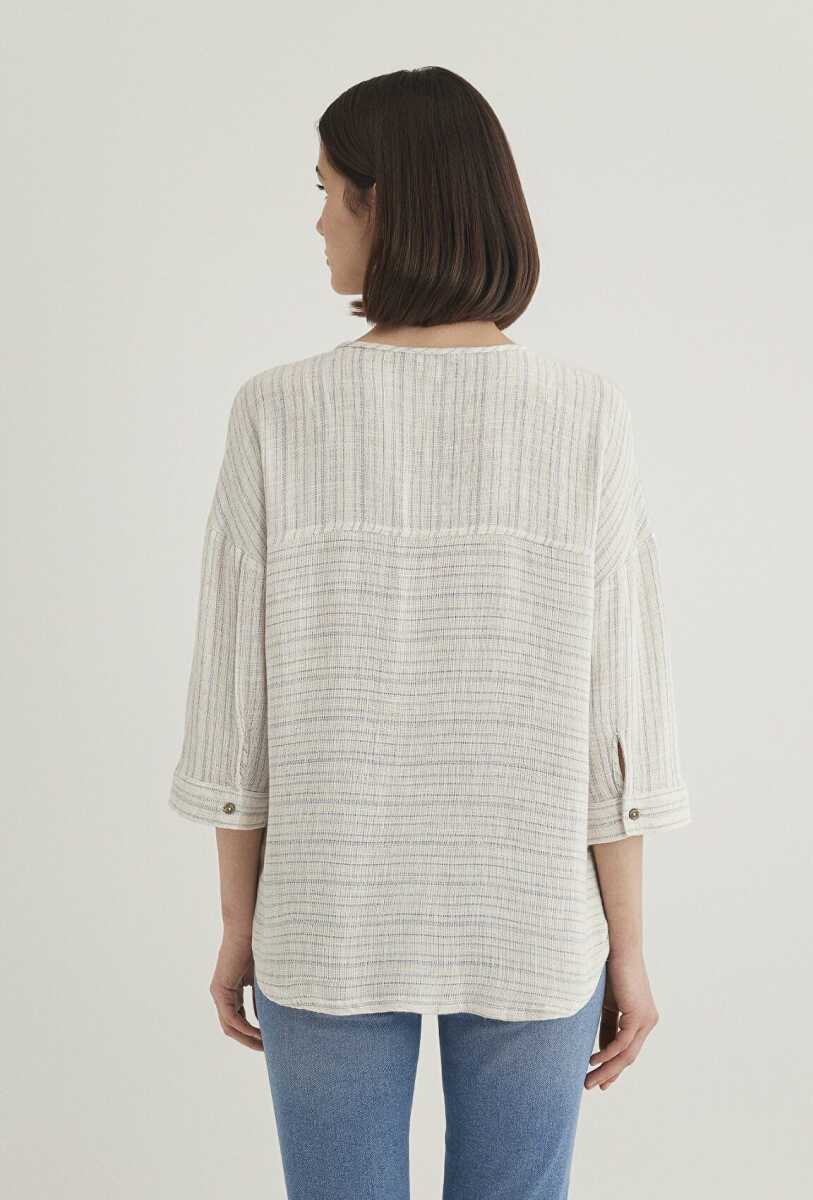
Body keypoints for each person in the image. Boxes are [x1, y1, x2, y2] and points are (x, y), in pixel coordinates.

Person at [168, 65, 692, 1200]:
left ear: (384, 202)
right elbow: (619, 721)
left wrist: (237, 924)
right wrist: (630, 948)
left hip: (324, 911)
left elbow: (233, 717)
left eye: (326, 191)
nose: (317, 221)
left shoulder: (276, 413)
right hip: (533, 915)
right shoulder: (583, 414)